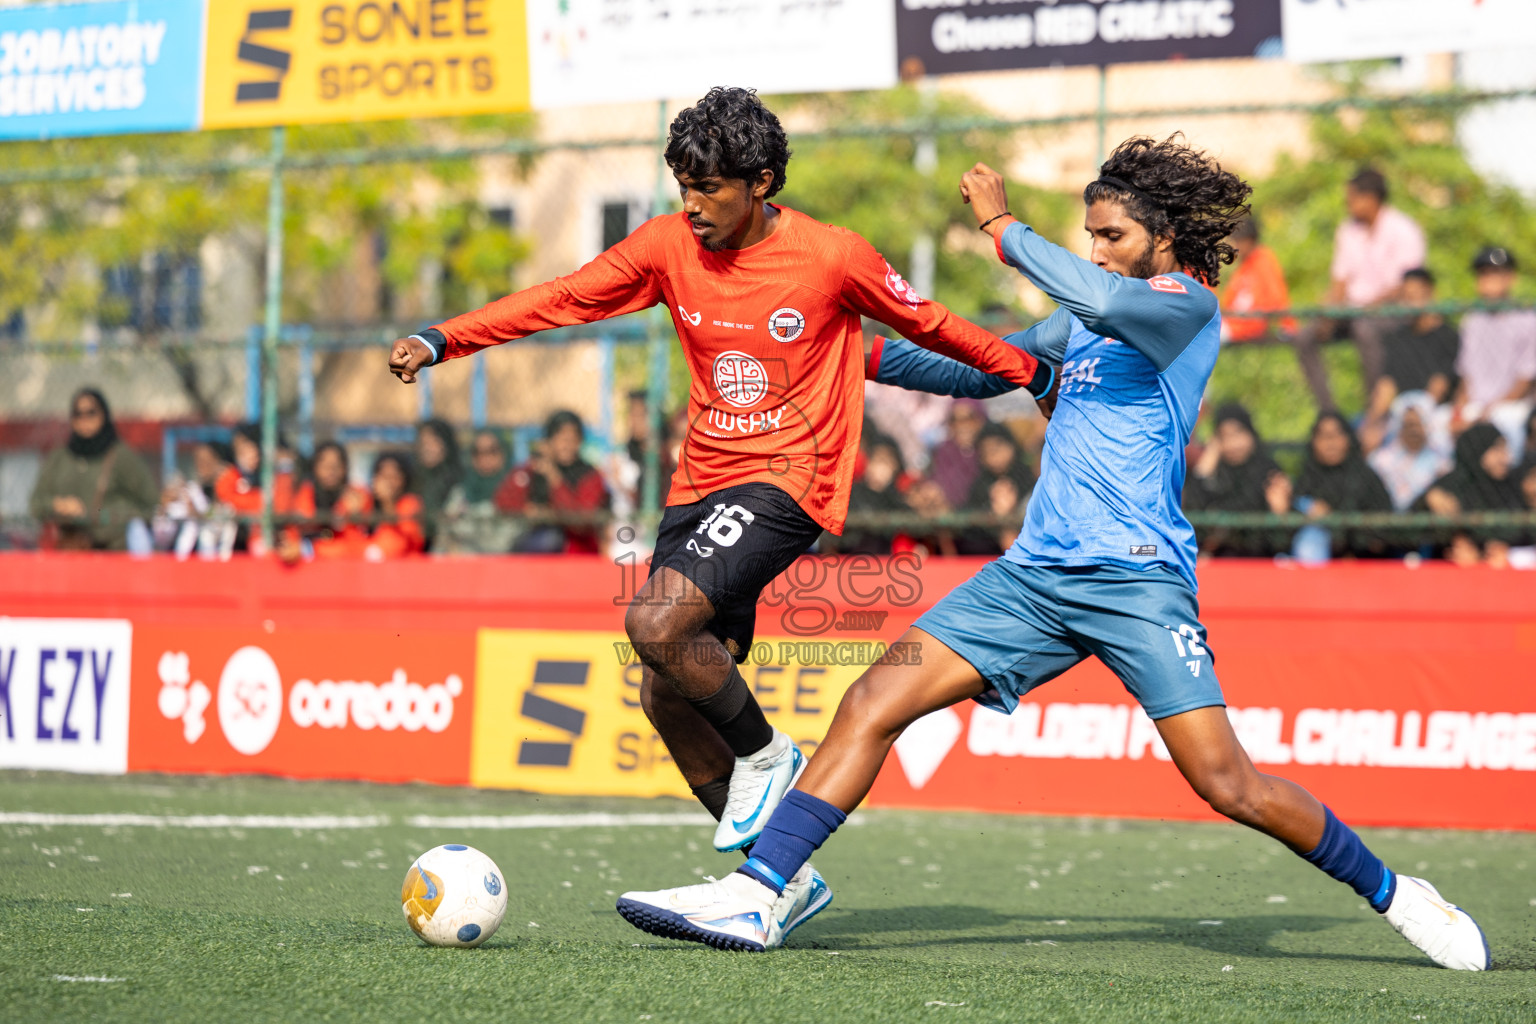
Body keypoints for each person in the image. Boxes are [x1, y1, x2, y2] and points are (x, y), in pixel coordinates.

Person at [616, 135, 1489, 972]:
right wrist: (830, 349)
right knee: (875, 698)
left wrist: (1003, 230)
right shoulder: (1081, 329)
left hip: (1136, 583)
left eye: (1114, 237)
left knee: (1230, 784)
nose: (1100, 254)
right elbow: (976, 368)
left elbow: (1106, 300)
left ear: (1165, 240)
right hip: (1032, 580)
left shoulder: (1185, 310)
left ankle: (1398, 893)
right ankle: (761, 892)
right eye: (1091, 239)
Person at [387, 86, 1052, 925]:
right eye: (682, 186)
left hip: (789, 479)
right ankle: (776, 882)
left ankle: (769, 755)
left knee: (655, 625)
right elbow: (564, 297)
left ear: (762, 182)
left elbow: (932, 325)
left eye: (709, 189)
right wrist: (445, 338)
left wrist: (1032, 372)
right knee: (667, 689)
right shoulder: (670, 246)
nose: (691, 205)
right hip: (699, 485)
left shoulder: (834, 256)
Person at [1291, 168, 1427, 411]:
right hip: (1353, 311)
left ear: (1371, 198)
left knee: (1365, 328)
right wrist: (1330, 313)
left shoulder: (1403, 229)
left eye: (1352, 199)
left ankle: (1373, 410)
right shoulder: (1347, 231)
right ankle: (1329, 412)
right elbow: (1340, 281)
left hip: (1392, 310)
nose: (1348, 205)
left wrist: (1367, 307)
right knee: (1305, 336)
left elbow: (1408, 285)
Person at [29, 387, 157, 551]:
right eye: (78, 414)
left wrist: (100, 515)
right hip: (70, 551)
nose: (84, 420)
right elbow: (35, 504)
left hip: (113, 552)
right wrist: (58, 505)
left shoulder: (121, 456)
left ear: (104, 415)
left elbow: (151, 505)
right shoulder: (60, 457)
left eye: (91, 413)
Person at [494, 410, 611, 554]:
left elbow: (580, 520)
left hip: (575, 550)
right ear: (549, 440)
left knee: (551, 538)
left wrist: (554, 478)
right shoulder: (535, 468)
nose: (566, 446)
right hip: (535, 541)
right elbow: (503, 501)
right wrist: (527, 508)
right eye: (561, 439)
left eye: (571, 440)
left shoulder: (590, 475)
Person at [1182, 403, 1290, 557]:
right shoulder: (1216, 470)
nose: (1233, 444)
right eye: (1225, 436)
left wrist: (1280, 510)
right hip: (1220, 555)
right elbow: (1194, 507)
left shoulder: (1267, 469)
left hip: (1260, 553)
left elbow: (1253, 506)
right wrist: (1208, 460)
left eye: (1238, 434)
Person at [1454, 247, 1535, 450]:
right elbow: (1466, 377)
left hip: (1511, 407)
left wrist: (1488, 411)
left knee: (1505, 423)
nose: (1488, 279)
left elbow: (1525, 381)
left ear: (1511, 278)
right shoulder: (1472, 320)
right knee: (1437, 425)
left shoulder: (1527, 320)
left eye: (1494, 273)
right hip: (1475, 406)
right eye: (1483, 273)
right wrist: (1458, 410)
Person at [1291, 412, 1395, 559]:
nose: (1330, 443)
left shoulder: (1365, 477)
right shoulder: (1306, 479)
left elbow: (1383, 527)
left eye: (1336, 435)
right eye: (1323, 436)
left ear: (1348, 439)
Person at [1420, 423, 1526, 567]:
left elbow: (1522, 533)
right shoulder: (1449, 486)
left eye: (1505, 449)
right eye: (1497, 449)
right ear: (1479, 449)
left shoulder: (1511, 486)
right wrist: (1428, 500)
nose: (1505, 458)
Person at [311, 452, 425, 560]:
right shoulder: (363, 498)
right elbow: (342, 539)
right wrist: (353, 515)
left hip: (402, 566)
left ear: (404, 479)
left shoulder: (409, 504)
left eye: (394, 476)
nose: (388, 482)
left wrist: (388, 503)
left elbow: (398, 545)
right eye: (383, 475)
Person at [213, 424, 297, 555]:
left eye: (246, 448)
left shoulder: (279, 475)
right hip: (237, 546)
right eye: (238, 450)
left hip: (271, 544)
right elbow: (225, 496)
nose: (242, 456)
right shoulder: (232, 475)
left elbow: (280, 507)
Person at [1368, 394, 1452, 512]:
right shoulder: (1379, 461)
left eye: (1417, 425)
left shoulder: (1442, 461)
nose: (1413, 431)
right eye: (1408, 425)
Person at [441, 429, 519, 555]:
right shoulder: (461, 492)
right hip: (466, 564)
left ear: (504, 453)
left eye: (492, 451)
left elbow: (512, 537)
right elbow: (446, 531)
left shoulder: (516, 490)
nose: (485, 458)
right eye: (477, 452)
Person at [1218, 215, 1291, 343]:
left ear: (1249, 240)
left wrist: (1285, 325)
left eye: (1239, 241)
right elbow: (1229, 300)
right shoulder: (1244, 266)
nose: (1236, 247)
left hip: (1251, 325)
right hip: (1234, 323)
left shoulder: (1264, 260)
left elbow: (1276, 296)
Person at [929, 398, 987, 508]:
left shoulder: (989, 447)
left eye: (969, 418)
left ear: (981, 420)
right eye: (954, 420)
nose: (961, 425)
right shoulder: (943, 451)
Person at [414, 419, 461, 550]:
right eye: (423, 443)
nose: (427, 448)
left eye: (433, 442)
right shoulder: (412, 479)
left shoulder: (459, 480)